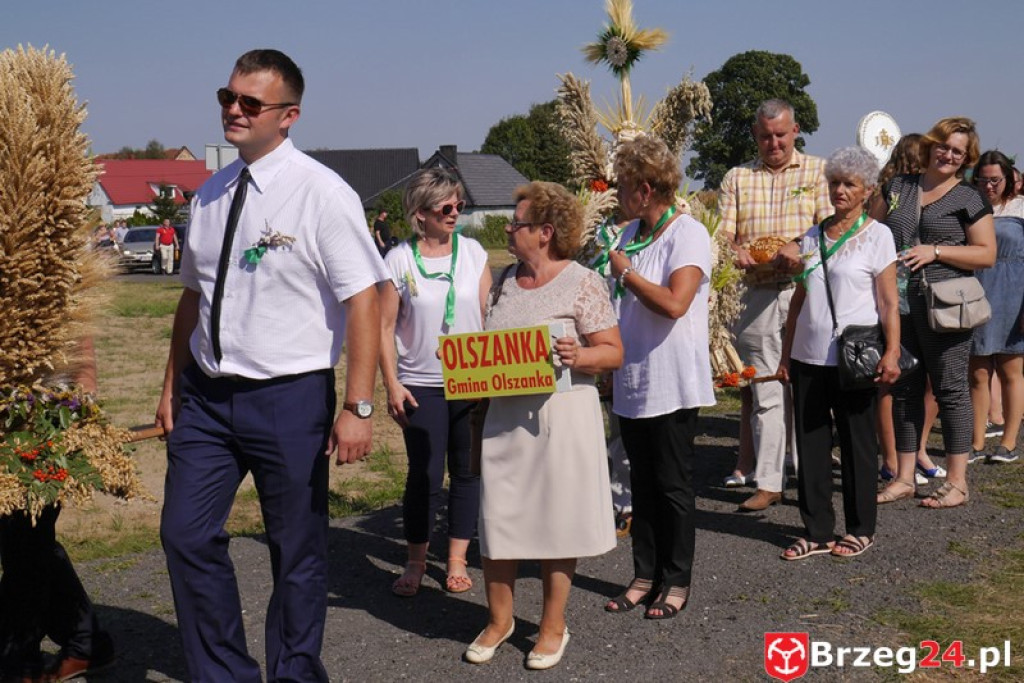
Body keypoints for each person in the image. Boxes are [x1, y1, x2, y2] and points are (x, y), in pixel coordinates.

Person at [154, 49, 387, 682]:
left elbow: (364, 299)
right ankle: (223, 673)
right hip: (207, 397)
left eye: (250, 102)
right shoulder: (210, 193)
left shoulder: (321, 193)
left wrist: (358, 406)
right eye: (227, 97)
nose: (233, 110)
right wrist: (172, 385)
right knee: (185, 534)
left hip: (288, 397)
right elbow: (193, 297)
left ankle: (294, 673)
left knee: (296, 549)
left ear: (288, 115)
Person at [465, 182, 621, 670]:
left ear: (546, 232)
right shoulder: (504, 279)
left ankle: (553, 625)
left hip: (563, 416)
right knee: (498, 517)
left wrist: (581, 355)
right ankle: (500, 620)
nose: (508, 229)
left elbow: (613, 352)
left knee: (558, 520)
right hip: (504, 417)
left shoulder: (582, 282)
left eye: (516, 223)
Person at [603, 135, 715, 618]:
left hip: (671, 380)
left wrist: (627, 274)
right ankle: (643, 575)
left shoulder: (686, 233)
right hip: (633, 378)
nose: (618, 194)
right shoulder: (630, 233)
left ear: (645, 189)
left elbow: (674, 303)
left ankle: (676, 579)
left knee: (672, 484)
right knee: (641, 484)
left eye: (623, 185)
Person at [777, 147, 901, 560]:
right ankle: (817, 531)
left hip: (855, 357)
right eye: (835, 183)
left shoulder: (878, 236)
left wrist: (892, 351)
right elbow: (800, 299)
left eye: (849, 184)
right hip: (808, 356)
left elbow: (888, 302)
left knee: (857, 443)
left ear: (867, 190)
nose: (840, 191)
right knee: (811, 445)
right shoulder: (812, 236)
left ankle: (861, 528)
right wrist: (785, 354)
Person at [868, 117, 996, 509]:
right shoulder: (898, 186)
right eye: (944, 146)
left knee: (950, 390)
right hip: (899, 305)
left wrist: (936, 251)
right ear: (930, 145)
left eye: (958, 151)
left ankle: (957, 482)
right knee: (905, 390)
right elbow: (869, 229)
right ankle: (904, 478)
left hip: (946, 307)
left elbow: (986, 254)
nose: (949, 155)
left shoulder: (969, 198)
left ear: (965, 158)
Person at [380, 168, 490, 597]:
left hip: (471, 377)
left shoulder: (475, 252)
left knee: (466, 470)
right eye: (446, 207)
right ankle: (416, 560)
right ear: (420, 213)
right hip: (419, 381)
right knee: (424, 473)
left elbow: (490, 316)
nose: (455, 213)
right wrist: (391, 384)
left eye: (459, 204)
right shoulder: (399, 259)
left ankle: (457, 560)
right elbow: (384, 327)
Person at [718, 99, 831, 510]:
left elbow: (830, 226)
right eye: (765, 136)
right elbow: (722, 234)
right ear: (755, 135)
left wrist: (799, 245)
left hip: (807, 290)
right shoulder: (737, 177)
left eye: (781, 135)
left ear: (795, 130)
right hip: (757, 295)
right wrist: (734, 251)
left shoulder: (819, 172)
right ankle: (768, 482)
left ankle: (810, 473)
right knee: (765, 386)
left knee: (809, 386)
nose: (774, 143)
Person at [0, 339, 116, 683]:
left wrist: (84, 392)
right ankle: (85, 642)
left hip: (34, 405)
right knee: (24, 538)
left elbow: (74, 325)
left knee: (24, 531)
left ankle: (20, 662)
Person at [874, 134, 945, 486]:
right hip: (895, 293)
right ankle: (892, 457)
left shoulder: (941, 191)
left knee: (931, 378)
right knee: (894, 378)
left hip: (931, 292)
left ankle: (916, 449)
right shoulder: (889, 193)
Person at [969, 150, 1024, 463]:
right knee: (977, 372)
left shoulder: (1021, 207)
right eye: (982, 179)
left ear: (1007, 179)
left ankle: (1009, 442)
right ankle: (976, 442)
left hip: (1014, 290)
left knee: (1010, 369)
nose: (988, 186)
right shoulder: (970, 206)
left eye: (995, 180)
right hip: (977, 289)